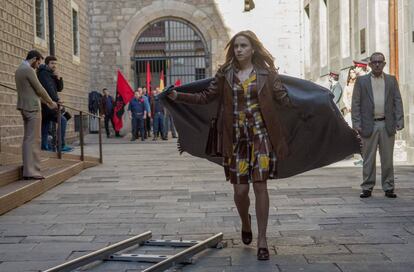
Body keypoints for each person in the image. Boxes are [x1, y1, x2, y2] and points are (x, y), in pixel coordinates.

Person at [168, 31, 294, 261]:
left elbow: (284, 99)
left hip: (261, 137)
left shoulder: (267, 73)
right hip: (235, 139)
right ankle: (246, 221)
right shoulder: (225, 73)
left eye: (243, 45)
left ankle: (262, 240)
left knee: (260, 186)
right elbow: (206, 97)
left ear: (253, 49)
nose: (239, 50)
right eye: (236, 46)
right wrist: (178, 96)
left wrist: (304, 100)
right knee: (240, 191)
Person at [351, 52, 404, 199]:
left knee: (387, 158)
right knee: (368, 158)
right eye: (374, 62)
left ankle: (388, 187)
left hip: (387, 125)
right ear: (369, 64)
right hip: (369, 125)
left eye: (380, 62)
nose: (377, 64)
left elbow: (397, 101)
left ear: (384, 64)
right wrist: (356, 123)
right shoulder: (361, 81)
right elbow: (355, 103)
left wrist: (399, 120)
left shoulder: (391, 81)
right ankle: (367, 187)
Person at [15, 50, 57, 180]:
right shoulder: (28, 70)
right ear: (34, 59)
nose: (38, 65)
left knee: (28, 139)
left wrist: (46, 102)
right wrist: (51, 102)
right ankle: (32, 170)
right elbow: (39, 89)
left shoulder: (19, 70)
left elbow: (32, 91)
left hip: (24, 106)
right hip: (33, 108)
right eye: (38, 62)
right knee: (34, 140)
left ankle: (28, 168)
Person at [37, 56, 72, 152]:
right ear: (47, 63)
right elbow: (49, 89)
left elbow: (59, 88)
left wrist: (59, 78)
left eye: (56, 63)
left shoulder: (51, 74)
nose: (54, 65)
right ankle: (60, 145)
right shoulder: (43, 74)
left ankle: (44, 146)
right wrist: (57, 100)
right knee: (62, 120)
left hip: (49, 105)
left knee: (45, 124)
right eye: (52, 63)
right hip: (47, 104)